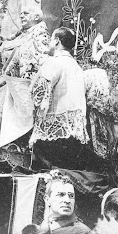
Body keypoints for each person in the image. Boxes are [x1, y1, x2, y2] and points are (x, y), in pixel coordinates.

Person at [0, 4, 50, 172]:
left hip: (20, 85)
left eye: (26, 13)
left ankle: (13, 161)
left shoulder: (40, 35)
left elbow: (40, 59)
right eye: (20, 13)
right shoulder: (20, 35)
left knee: (14, 127)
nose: (22, 15)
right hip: (4, 84)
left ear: (37, 18)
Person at [30, 27, 90, 170]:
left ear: (56, 41)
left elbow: (39, 91)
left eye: (51, 39)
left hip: (53, 135)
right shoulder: (76, 66)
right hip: (74, 134)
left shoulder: (54, 61)